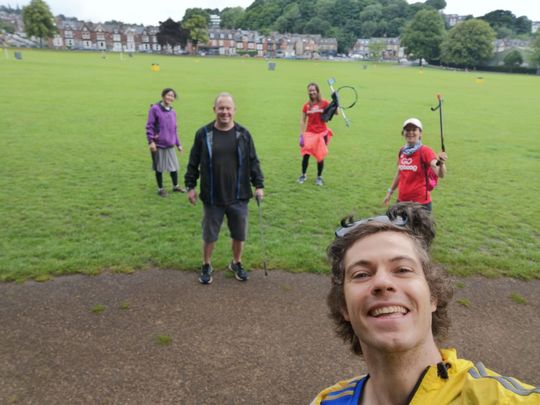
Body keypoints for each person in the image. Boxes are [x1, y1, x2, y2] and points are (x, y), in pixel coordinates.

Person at [311, 202, 539, 404]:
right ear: (343, 307)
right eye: (361, 274)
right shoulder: (326, 401)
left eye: (402, 269)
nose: (382, 282)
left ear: (433, 295)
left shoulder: (500, 399)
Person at [184, 93, 264, 285]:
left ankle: (236, 262)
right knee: (210, 235)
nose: (225, 112)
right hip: (213, 196)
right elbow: (193, 161)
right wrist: (190, 186)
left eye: (228, 108)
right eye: (221, 108)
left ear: (234, 110)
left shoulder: (243, 134)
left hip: (239, 195)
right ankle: (206, 264)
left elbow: (253, 161)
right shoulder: (203, 134)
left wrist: (259, 185)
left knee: (239, 234)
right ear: (214, 110)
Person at [383, 118, 447, 212]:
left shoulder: (425, 151)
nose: (410, 132)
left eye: (414, 130)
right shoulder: (402, 151)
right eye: (407, 130)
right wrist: (390, 192)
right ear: (403, 133)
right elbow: (399, 174)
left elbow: (441, 174)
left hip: (420, 205)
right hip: (402, 202)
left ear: (420, 133)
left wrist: (441, 163)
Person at [145, 87, 185, 197]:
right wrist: (151, 141)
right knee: (159, 167)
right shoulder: (155, 109)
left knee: (173, 167)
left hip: (170, 144)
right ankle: (160, 189)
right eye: (168, 95)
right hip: (158, 145)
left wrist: (178, 144)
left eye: (172, 96)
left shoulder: (173, 112)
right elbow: (149, 126)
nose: (170, 97)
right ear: (163, 96)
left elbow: (174, 129)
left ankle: (176, 186)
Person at [298, 83, 334, 186]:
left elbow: (336, 113)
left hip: (322, 133)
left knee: (320, 156)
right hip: (309, 133)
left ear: (317, 91)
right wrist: (301, 135)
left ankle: (319, 177)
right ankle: (303, 175)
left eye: (314, 90)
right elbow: (302, 121)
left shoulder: (325, 103)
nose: (312, 92)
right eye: (310, 90)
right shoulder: (306, 106)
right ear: (308, 92)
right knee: (305, 155)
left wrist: (336, 102)